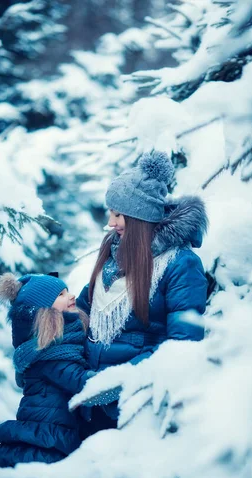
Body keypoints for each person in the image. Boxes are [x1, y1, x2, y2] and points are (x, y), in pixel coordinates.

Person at [74, 150, 209, 430]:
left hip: (131, 407)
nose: (111, 223)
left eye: (118, 214)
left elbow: (181, 345)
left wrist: (116, 384)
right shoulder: (113, 255)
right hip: (88, 397)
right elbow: (82, 313)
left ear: (138, 217)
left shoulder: (179, 264)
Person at [0, 273, 95, 468]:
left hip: (53, 431)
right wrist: (119, 379)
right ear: (45, 312)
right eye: (61, 295)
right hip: (46, 439)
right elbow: (81, 381)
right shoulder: (50, 355)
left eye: (68, 291)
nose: (71, 296)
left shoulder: (62, 342)